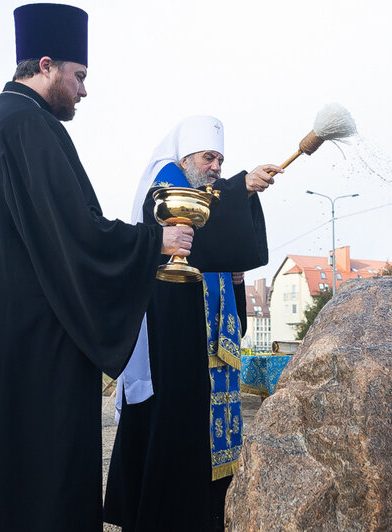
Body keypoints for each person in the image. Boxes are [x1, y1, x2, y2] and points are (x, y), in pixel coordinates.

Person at [0, 5, 193, 531]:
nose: (83, 91)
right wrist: (152, 240)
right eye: (79, 77)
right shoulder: (30, 125)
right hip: (36, 342)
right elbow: (73, 232)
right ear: (46, 65)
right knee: (42, 469)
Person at [104, 116, 279, 531]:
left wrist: (235, 277)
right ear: (185, 158)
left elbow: (218, 241)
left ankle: (207, 515)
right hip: (174, 339)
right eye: (208, 157)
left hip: (209, 346)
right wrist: (243, 185)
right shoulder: (164, 187)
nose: (216, 165)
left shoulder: (207, 203)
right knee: (175, 429)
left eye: (221, 159)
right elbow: (195, 222)